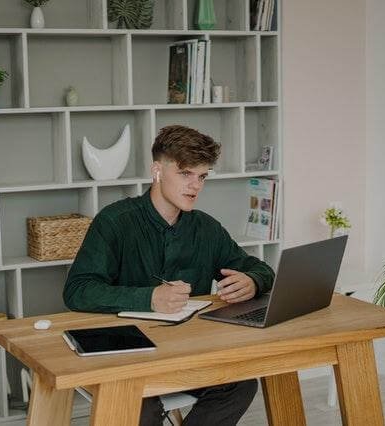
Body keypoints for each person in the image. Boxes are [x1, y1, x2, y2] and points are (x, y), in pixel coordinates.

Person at [63, 125, 275, 426]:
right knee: (137, 403)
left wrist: (252, 281)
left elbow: (260, 268)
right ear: (157, 171)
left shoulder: (206, 228)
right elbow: (77, 290)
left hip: (188, 356)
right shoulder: (114, 222)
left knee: (240, 384)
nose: (195, 186)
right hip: (129, 358)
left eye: (202, 176)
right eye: (186, 174)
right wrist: (149, 297)